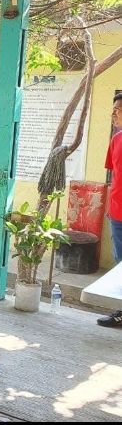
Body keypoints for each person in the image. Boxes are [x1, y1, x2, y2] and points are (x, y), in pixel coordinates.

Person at [99, 92, 122, 328]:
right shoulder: (116, 139)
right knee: (120, 264)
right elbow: (113, 177)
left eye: (118, 110)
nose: (113, 114)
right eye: (113, 109)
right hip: (117, 214)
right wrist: (109, 207)